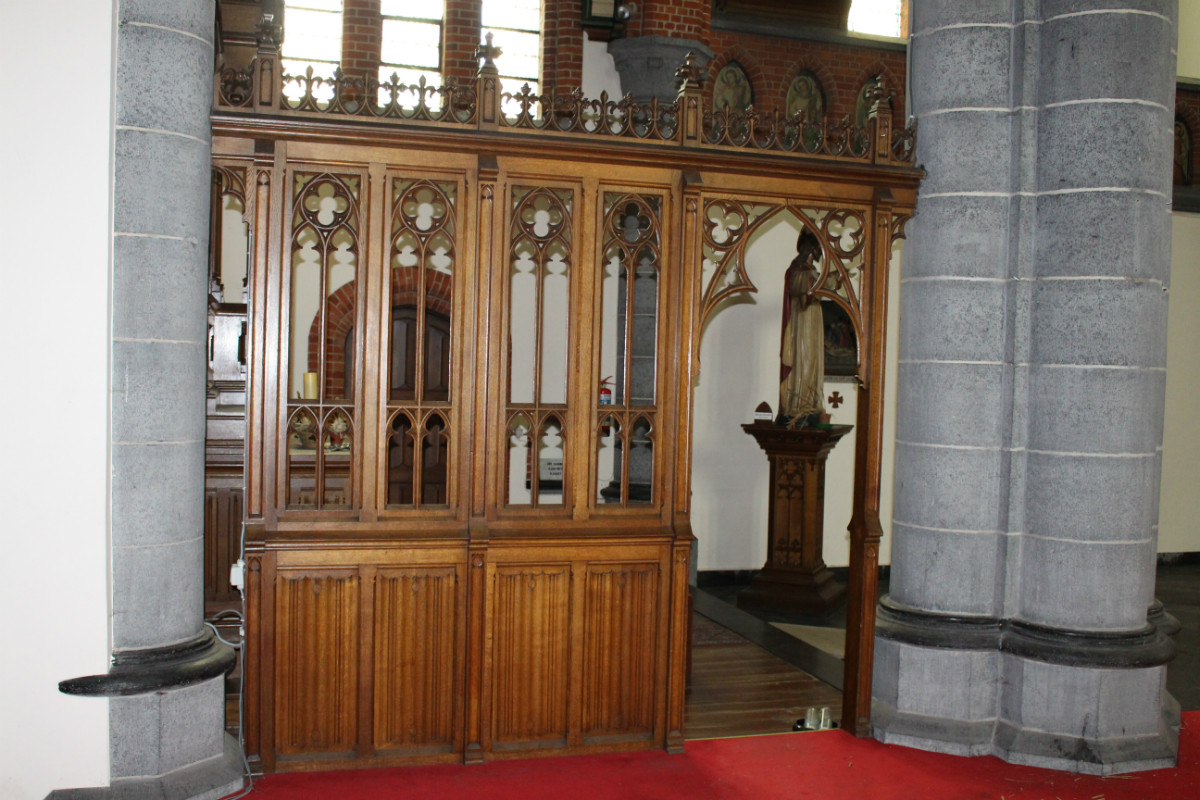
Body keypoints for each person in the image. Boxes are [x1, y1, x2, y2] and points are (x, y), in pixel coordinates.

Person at [778, 229, 825, 427]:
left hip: (813, 321)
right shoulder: (797, 268)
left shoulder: (810, 270)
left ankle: (810, 404)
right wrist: (812, 281)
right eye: (811, 249)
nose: (811, 254)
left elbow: (823, 286)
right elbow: (799, 287)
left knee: (812, 360)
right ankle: (798, 405)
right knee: (803, 359)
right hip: (801, 321)